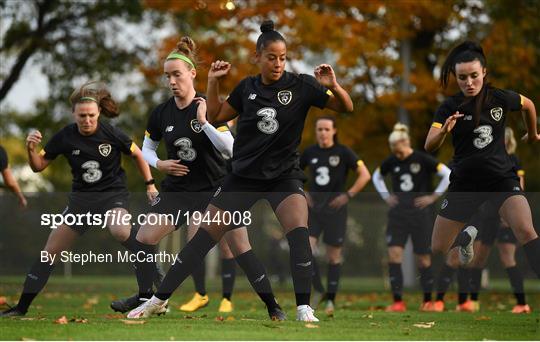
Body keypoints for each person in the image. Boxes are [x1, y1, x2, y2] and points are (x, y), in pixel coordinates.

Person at [127, 20, 353, 322]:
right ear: (257, 57)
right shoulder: (246, 88)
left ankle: (303, 308)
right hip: (243, 177)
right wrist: (214, 82)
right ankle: (157, 300)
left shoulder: (302, 85)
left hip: (284, 177)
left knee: (299, 233)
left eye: (283, 57)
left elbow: (346, 108)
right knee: (202, 240)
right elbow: (218, 114)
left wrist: (334, 85)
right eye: (271, 57)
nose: (277, 63)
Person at [112, 37, 285, 319]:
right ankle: (149, 297)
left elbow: (230, 149)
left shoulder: (211, 107)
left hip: (217, 191)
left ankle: (273, 306)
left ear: (192, 74)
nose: (171, 81)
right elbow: (146, 149)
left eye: (176, 74)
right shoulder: (161, 112)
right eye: (167, 76)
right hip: (178, 191)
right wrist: (160, 163)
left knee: (241, 248)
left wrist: (204, 123)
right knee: (143, 237)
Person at [0, 81, 157, 317]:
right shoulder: (64, 136)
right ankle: (21, 308)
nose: (87, 120)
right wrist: (31, 151)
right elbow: (38, 167)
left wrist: (149, 184)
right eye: (82, 115)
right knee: (49, 252)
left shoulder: (111, 133)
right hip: (80, 203)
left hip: (111, 196)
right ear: (74, 114)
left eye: (91, 115)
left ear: (98, 113)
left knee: (120, 231)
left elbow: (137, 154)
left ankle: (148, 263)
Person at [424, 41, 540, 314]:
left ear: (484, 72)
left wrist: (532, 133)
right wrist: (443, 132)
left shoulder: (500, 98)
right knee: (438, 247)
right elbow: (429, 144)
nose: (469, 82)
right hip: (464, 184)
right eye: (462, 77)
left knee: (526, 230)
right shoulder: (449, 106)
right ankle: (465, 239)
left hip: (501, 180)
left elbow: (529, 104)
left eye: (474, 75)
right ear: (456, 77)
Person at [373, 123, 450, 312]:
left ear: (405, 143)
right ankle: (398, 302)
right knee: (394, 255)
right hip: (398, 215)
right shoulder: (391, 161)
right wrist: (386, 196)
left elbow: (448, 174)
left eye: (398, 151)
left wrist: (432, 197)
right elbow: (376, 176)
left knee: (423, 258)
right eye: (394, 151)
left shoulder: (423, 159)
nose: (396, 155)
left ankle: (427, 301)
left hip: (420, 215)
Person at [300, 116, 371, 315]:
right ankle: (319, 289)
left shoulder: (343, 152)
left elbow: (365, 174)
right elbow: (293, 173)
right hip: (314, 210)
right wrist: (303, 193)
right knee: (305, 248)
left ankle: (330, 299)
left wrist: (348, 195)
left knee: (334, 256)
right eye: (319, 129)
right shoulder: (310, 152)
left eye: (326, 129)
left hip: (335, 211)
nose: (322, 132)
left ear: (334, 131)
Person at [457, 127, 531, 314]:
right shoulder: (486, 159)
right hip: (488, 215)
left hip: (505, 215)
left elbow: (519, 185)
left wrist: (510, 213)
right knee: (479, 258)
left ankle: (522, 303)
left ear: (506, 140)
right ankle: (472, 301)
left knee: (508, 258)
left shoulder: (513, 160)